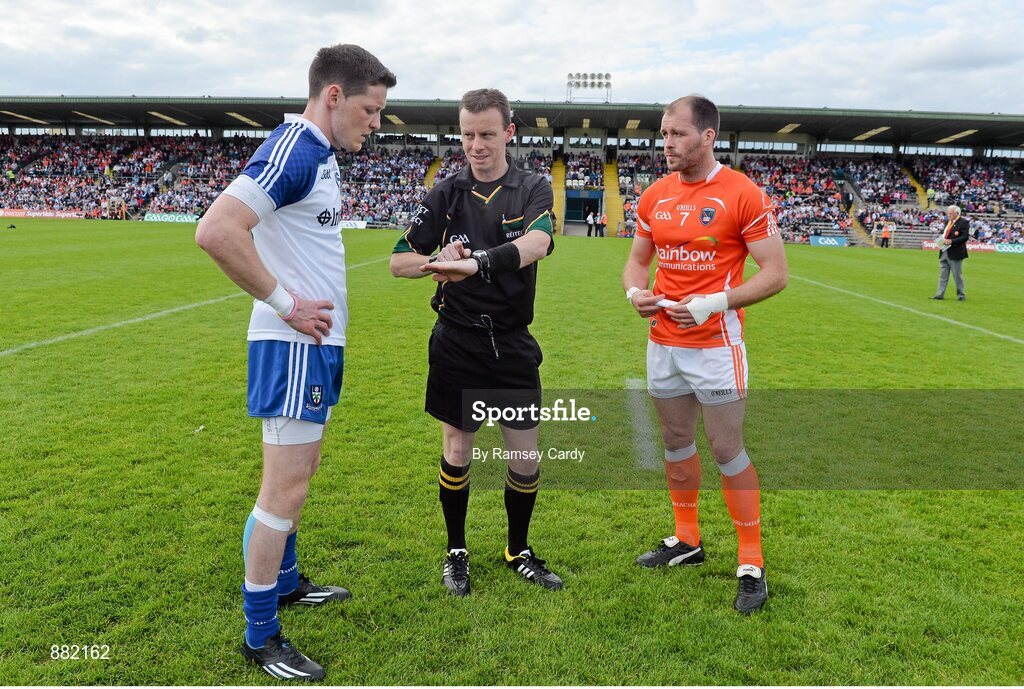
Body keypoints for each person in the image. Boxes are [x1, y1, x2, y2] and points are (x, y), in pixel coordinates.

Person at [195, 44, 396, 681]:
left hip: (313, 347)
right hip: (291, 349)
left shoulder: (322, 156)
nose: (376, 121)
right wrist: (285, 303)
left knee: (299, 475)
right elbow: (217, 228)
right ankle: (261, 635)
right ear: (333, 96)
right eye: (370, 108)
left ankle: (284, 584)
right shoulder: (295, 148)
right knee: (284, 487)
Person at [389, 88, 561, 597]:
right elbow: (399, 262)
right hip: (457, 341)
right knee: (458, 448)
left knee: (525, 456)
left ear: (510, 132)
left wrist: (476, 263)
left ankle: (517, 548)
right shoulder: (445, 192)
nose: (476, 145)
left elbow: (539, 243)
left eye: (487, 134)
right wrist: (437, 261)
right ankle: (456, 551)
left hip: (510, 343)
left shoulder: (532, 187)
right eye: (467, 135)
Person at [621, 94, 788, 615]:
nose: (666, 143)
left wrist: (715, 302)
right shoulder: (655, 196)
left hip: (716, 346)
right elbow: (636, 262)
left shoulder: (743, 193)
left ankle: (751, 560)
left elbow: (776, 274)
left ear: (707, 136)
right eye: (663, 134)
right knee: (674, 439)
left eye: (677, 134)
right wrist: (635, 294)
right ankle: (687, 540)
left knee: (724, 448)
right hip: (663, 343)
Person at [931, 204, 969, 301]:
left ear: (957, 213)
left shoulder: (963, 222)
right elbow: (945, 234)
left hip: (955, 252)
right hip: (944, 250)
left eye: (951, 213)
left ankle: (961, 295)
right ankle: (939, 294)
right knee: (942, 275)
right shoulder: (948, 222)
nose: (949, 215)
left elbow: (965, 237)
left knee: (957, 276)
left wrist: (952, 241)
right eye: (948, 213)